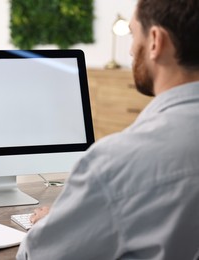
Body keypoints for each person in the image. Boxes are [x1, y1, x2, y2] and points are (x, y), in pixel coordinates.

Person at [16, 0, 199, 259]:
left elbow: (38, 256)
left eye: (134, 34)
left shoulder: (114, 163)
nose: (132, 51)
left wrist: (57, 223)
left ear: (155, 41)